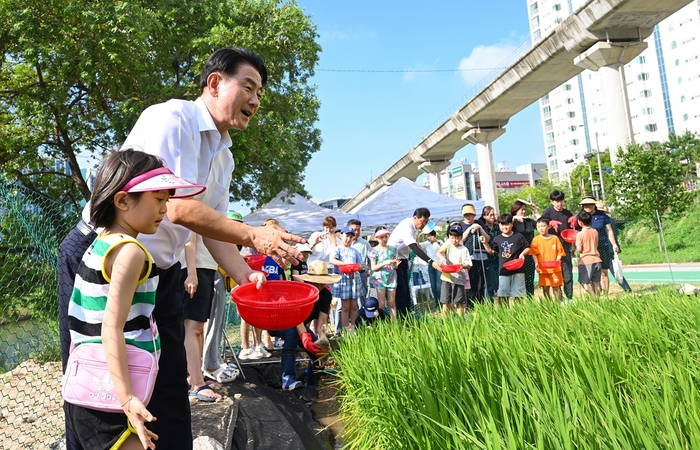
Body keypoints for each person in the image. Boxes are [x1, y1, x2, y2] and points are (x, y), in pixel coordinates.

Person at [58, 47, 304, 450]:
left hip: (158, 268)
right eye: (248, 87)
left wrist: (245, 276)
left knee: (168, 377)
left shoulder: (223, 156)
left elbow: (212, 230)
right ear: (214, 83)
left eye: (260, 92)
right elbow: (175, 206)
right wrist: (253, 235)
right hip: (105, 255)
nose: (256, 101)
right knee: (96, 380)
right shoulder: (172, 119)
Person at [64, 150, 205, 450]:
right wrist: (127, 398)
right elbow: (111, 328)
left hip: (87, 387)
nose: (165, 210)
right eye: (158, 199)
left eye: (167, 200)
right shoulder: (131, 253)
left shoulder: (100, 243)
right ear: (123, 200)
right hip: (116, 394)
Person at [180, 232, 228, 403]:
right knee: (192, 328)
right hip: (194, 269)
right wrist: (192, 273)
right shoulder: (193, 206)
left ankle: (198, 375)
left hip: (206, 268)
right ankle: (196, 384)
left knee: (199, 328)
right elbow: (189, 240)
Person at [201, 211, 244, 385]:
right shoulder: (214, 232)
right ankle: (209, 365)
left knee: (218, 320)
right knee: (205, 323)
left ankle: (214, 360)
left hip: (218, 274)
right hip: (209, 272)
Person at [387, 208, 442, 317]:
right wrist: (431, 262)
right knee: (401, 291)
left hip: (403, 260)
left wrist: (407, 261)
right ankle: (402, 319)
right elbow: (414, 248)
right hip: (394, 261)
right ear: (415, 217)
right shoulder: (406, 226)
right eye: (422, 221)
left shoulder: (415, 228)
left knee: (406, 290)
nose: (424, 224)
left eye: (426, 222)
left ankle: (407, 316)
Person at [576, 196, 620, 295]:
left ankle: (605, 294)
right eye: (585, 205)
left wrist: (614, 244)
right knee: (590, 276)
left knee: (604, 272)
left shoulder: (602, 216)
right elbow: (575, 231)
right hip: (587, 251)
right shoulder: (579, 217)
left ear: (594, 205)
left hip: (602, 246)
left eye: (590, 204)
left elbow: (609, 230)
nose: (588, 206)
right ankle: (595, 296)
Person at [539, 190, 575, 300]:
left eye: (561, 201)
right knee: (553, 273)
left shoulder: (568, 213)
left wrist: (573, 245)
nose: (559, 204)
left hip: (565, 247)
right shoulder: (548, 212)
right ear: (552, 202)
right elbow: (541, 223)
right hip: (551, 248)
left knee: (567, 272)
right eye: (557, 201)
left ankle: (569, 298)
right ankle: (557, 299)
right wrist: (550, 223)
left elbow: (573, 231)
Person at [329, 227, 365, 333]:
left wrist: (356, 267)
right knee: (345, 306)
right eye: (346, 236)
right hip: (343, 277)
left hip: (354, 277)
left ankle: (353, 329)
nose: (348, 239)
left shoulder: (355, 251)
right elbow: (332, 260)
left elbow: (361, 265)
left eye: (350, 236)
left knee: (354, 305)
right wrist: (345, 264)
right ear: (341, 235)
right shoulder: (337, 249)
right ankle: (345, 330)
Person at [492, 213, 530, 306]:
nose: (505, 227)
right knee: (502, 293)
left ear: (512, 224)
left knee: (519, 293)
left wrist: (522, 254)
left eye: (507, 224)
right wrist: (484, 243)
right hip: (504, 270)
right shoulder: (497, 239)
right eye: (502, 224)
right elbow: (492, 251)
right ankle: (504, 313)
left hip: (518, 269)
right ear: (499, 225)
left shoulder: (519, 236)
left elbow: (528, 248)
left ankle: (519, 313)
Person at [436, 225, 473, 316]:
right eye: (452, 238)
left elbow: (468, 264)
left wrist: (462, 266)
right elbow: (438, 252)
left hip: (459, 278)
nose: (454, 240)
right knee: (445, 301)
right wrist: (442, 258)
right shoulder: (448, 245)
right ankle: (445, 320)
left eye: (457, 238)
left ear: (461, 237)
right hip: (447, 277)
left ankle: (460, 320)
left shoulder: (464, 249)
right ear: (449, 237)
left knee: (458, 302)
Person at [596, 201, 632, 293]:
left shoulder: (606, 221)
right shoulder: (608, 219)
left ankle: (627, 290)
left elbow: (612, 234)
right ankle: (624, 290)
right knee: (607, 272)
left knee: (615, 271)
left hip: (607, 249)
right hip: (608, 248)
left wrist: (613, 246)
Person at [460, 204, 491, 305]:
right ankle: (470, 305)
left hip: (481, 258)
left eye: (471, 215)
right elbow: (460, 240)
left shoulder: (480, 223)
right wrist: (470, 229)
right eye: (466, 215)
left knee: (481, 283)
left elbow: (488, 238)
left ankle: (481, 303)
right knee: (469, 283)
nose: (469, 217)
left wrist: (480, 229)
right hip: (467, 259)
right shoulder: (461, 225)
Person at [529, 217, 566, 301]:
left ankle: (558, 305)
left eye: (543, 226)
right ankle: (548, 305)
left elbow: (560, 252)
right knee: (545, 288)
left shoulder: (555, 238)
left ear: (549, 226)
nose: (541, 228)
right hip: (543, 268)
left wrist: (557, 261)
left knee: (556, 287)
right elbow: (534, 253)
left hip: (555, 269)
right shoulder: (536, 240)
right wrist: (536, 263)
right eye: (539, 227)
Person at [368, 227, 399, 319]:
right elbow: (373, 267)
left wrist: (395, 265)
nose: (384, 239)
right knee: (381, 304)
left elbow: (394, 266)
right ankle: (381, 324)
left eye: (386, 236)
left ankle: (394, 326)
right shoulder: (373, 250)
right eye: (381, 237)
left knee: (392, 303)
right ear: (376, 238)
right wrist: (385, 262)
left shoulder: (393, 250)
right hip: (379, 279)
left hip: (391, 278)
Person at [510, 200, 538, 297]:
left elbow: (542, 224)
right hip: (517, 254)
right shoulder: (512, 222)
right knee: (518, 281)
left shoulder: (529, 221)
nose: (523, 212)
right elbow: (504, 225)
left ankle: (530, 302)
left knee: (530, 280)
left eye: (525, 210)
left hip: (530, 254)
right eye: (521, 210)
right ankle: (519, 305)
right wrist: (513, 218)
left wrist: (535, 211)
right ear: (515, 210)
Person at [474, 206, 500, 300]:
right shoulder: (482, 229)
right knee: (490, 286)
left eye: (493, 214)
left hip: (500, 258)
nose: (493, 217)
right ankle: (490, 307)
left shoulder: (498, 227)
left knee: (501, 285)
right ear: (484, 216)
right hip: (488, 260)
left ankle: (504, 307)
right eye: (490, 215)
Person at [575, 210, 602, 297]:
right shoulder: (595, 231)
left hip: (586, 260)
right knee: (596, 282)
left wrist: (575, 244)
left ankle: (594, 298)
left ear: (580, 222)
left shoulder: (580, 234)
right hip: (597, 259)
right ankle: (598, 300)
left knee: (584, 282)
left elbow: (579, 249)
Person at [347, 219, 371, 308]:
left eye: (358, 229)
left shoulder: (365, 244)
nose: (356, 232)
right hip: (347, 275)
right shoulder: (344, 242)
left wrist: (368, 271)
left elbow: (370, 260)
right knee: (347, 300)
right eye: (354, 229)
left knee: (362, 299)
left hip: (361, 274)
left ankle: (362, 319)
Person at [419, 230, 442, 305]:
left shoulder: (439, 242)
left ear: (433, 235)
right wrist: (419, 238)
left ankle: (442, 303)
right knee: (433, 286)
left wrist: (436, 241)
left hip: (439, 265)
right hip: (430, 266)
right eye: (427, 236)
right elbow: (417, 246)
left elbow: (445, 247)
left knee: (439, 286)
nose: (428, 237)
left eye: (429, 235)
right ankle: (437, 303)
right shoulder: (426, 244)